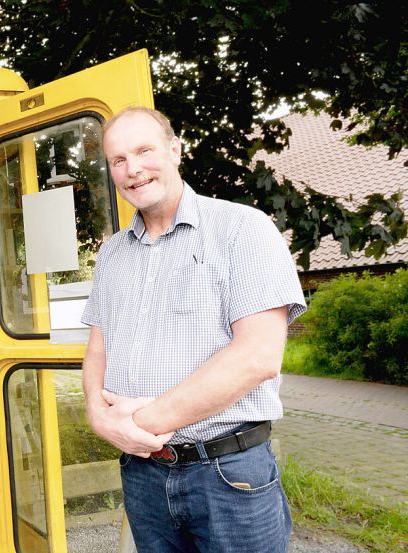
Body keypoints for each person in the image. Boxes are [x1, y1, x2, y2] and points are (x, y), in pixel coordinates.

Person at [81, 107, 306, 552]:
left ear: (175, 150)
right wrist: (97, 416)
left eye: (144, 151)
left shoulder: (243, 229)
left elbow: (257, 357)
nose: (133, 169)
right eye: (118, 160)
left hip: (227, 474)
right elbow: (97, 348)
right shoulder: (111, 255)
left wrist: (141, 424)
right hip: (144, 475)